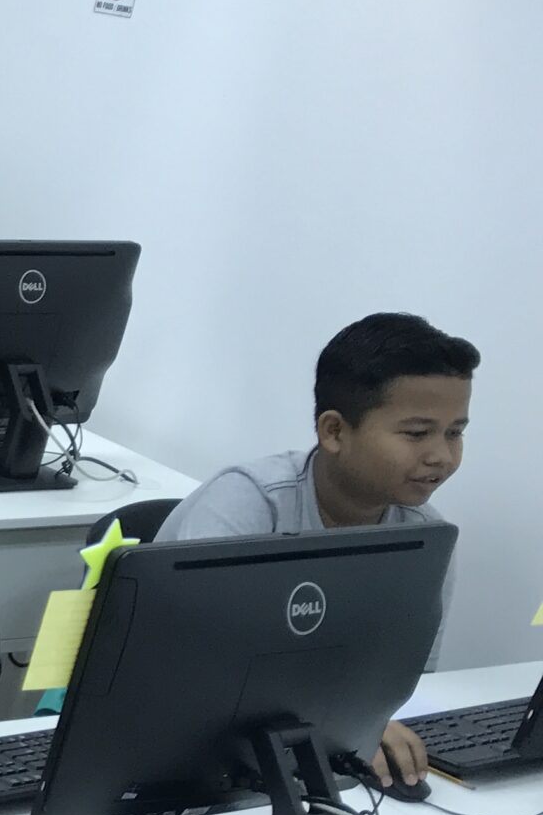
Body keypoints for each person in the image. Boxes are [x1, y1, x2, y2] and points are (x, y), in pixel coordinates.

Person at [156, 312, 477, 788]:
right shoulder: (246, 507)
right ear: (334, 432)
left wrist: (367, 724)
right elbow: (191, 677)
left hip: (305, 762)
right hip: (180, 752)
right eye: (416, 433)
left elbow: (403, 682)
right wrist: (341, 729)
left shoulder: (426, 538)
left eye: (455, 432)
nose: (442, 456)